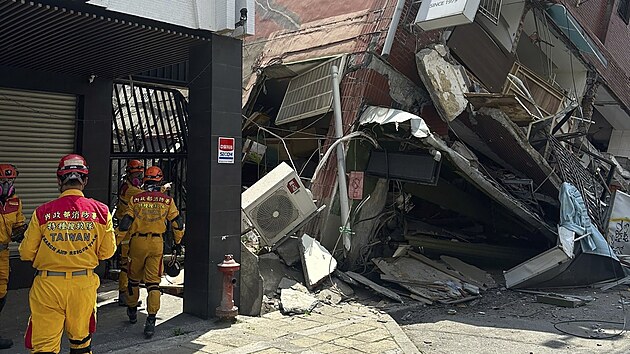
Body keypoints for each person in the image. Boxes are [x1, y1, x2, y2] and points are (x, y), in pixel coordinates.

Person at [19, 154, 116, 354]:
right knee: (81, 343)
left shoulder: (42, 212)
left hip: (48, 286)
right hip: (83, 285)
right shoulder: (101, 211)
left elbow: (26, 253)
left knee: (44, 347)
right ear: (85, 180)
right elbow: (107, 253)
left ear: (58, 179)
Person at [118, 166, 184, 338]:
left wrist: (114, 242)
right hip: (157, 243)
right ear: (160, 180)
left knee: (133, 280)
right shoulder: (167, 201)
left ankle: (132, 310)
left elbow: (125, 223)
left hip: (137, 243)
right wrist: (177, 243)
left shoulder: (136, 199)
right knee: (153, 283)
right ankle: (151, 320)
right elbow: (178, 223)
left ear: (145, 179)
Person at [0, 164, 26, 350]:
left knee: (1, 292)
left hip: (3, 253)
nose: (7, 184)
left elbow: (18, 224)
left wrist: (23, 232)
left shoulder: (15, 202)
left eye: (10, 180)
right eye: (3, 181)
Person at [114, 159, 144, 306]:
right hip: (126, 230)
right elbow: (144, 196)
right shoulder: (129, 189)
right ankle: (124, 294)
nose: (138, 178)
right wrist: (161, 190)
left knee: (131, 264)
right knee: (126, 264)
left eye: (140, 174)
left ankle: (127, 293)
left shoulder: (128, 186)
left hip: (132, 229)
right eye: (136, 175)